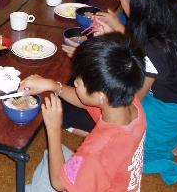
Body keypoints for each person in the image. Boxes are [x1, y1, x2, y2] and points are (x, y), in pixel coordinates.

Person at [66, 0, 177, 185]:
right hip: (172, 109)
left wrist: (91, 55)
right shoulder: (172, 19)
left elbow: (127, 100)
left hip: (158, 114)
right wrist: (118, 31)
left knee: (72, 107)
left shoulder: (155, 50)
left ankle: (152, 145)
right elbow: (143, 53)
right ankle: (167, 138)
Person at [21, 33, 146, 192]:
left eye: (78, 82)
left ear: (100, 95)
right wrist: (52, 85)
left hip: (89, 175)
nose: (74, 83)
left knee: (44, 174)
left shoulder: (98, 150)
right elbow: (85, 100)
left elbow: (59, 184)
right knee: (52, 158)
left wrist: (53, 128)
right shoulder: (127, 100)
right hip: (109, 176)